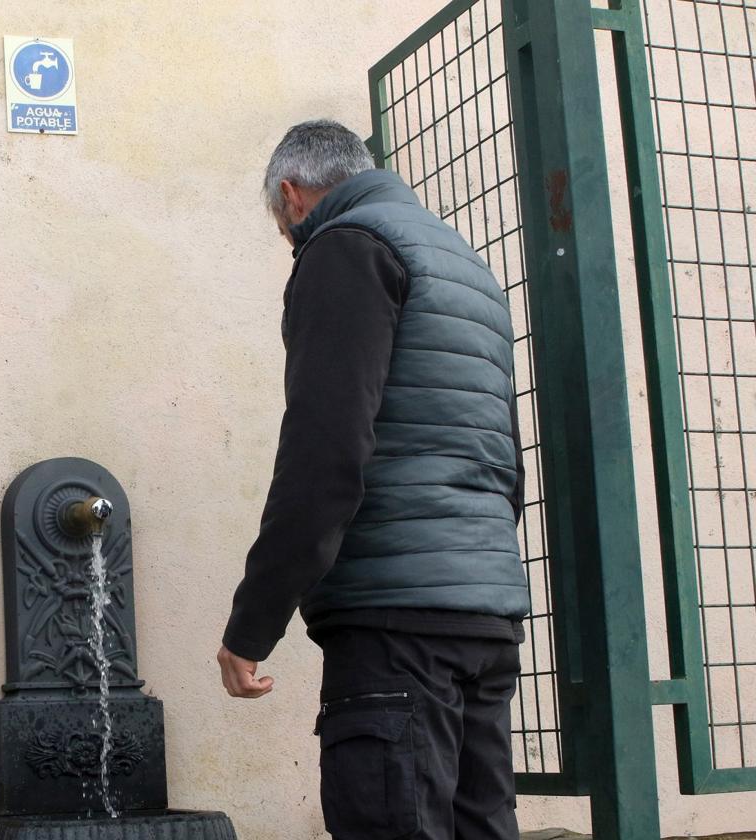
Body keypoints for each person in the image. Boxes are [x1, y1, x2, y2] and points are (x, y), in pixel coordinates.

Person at [217, 119, 530, 840]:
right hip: (482, 617)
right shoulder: (464, 266)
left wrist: (252, 626)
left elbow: (326, 453)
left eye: (282, 226)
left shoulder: (346, 248)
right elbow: (502, 456)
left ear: (292, 197)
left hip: (394, 623)